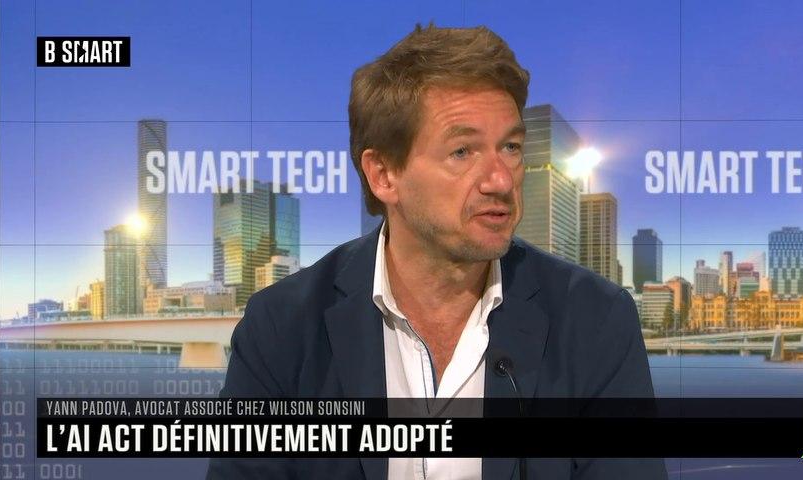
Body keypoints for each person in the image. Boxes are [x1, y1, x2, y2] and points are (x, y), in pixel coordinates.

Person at [207, 23, 668, 480]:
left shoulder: (595, 320)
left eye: (511, 147)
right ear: (384, 174)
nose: (500, 180)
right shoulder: (282, 326)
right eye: (462, 151)